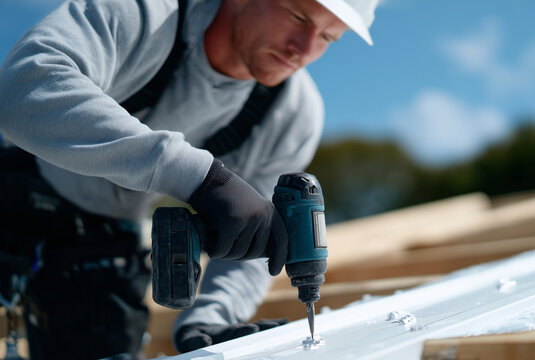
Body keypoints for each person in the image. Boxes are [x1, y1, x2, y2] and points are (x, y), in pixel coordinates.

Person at [0, 0, 378, 358]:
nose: (305, 48)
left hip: (107, 226)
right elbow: (21, 88)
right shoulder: (146, 15)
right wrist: (200, 178)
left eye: (329, 37)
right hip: (17, 182)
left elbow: (257, 236)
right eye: (299, 15)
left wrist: (212, 315)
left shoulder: (293, 115)